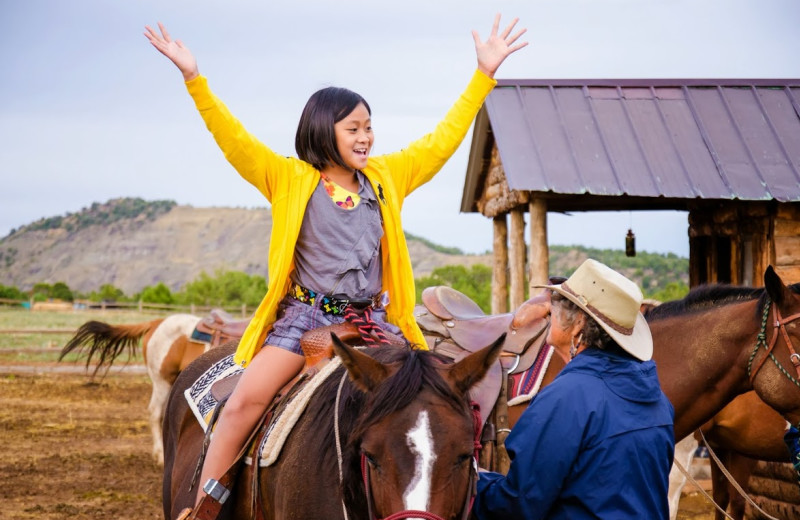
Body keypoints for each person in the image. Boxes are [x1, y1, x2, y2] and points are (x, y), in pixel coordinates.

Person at [144, 14, 527, 517]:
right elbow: (233, 139)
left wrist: (482, 77)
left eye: (369, 127)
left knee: (433, 409)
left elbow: (442, 141)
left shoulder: (387, 178)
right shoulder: (288, 178)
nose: (366, 136)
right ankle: (204, 508)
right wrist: (195, 79)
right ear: (326, 131)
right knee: (240, 405)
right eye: (355, 128)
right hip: (306, 323)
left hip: (377, 324)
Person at [473, 259, 675, 519]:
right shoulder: (659, 400)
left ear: (578, 324)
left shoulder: (565, 399)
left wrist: (474, 483)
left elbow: (519, 503)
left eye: (556, 307)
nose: (549, 313)